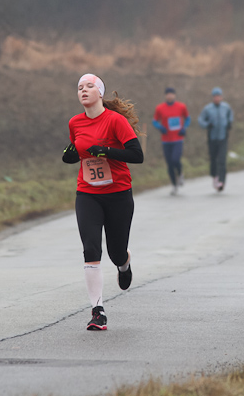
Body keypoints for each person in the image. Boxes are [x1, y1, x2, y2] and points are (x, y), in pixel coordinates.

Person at [62, 73, 144, 331]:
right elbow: (76, 152)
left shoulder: (115, 121)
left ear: (99, 92)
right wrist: (70, 154)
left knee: (115, 252)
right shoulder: (75, 123)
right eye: (79, 88)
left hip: (118, 193)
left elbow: (136, 155)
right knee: (90, 250)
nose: (83, 90)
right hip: (87, 194)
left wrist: (106, 151)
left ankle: (124, 263)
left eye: (89, 86)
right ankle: (98, 311)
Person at [152, 87, 190, 195]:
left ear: (174, 95)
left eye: (171, 94)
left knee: (175, 159)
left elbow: (188, 118)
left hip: (178, 138)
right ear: (165, 96)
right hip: (166, 140)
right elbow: (154, 121)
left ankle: (180, 173)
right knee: (169, 163)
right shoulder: (160, 108)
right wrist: (160, 127)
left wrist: (184, 128)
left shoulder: (181, 106)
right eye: (167, 94)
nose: (169, 96)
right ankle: (174, 185)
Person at [198, 87, 234, 192]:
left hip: (223, 137)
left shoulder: (226, 107)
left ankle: (222, 181)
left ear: (221, 97)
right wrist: (207, 125)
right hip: (212, 137)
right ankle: (215, 176)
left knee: (222, 160)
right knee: (213, 159)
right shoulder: (208, 109)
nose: (217, 98)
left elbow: (230, 116)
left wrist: (229, 123)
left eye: (219, 96)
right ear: (213, 97)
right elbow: (200, 120)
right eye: (215, 96)